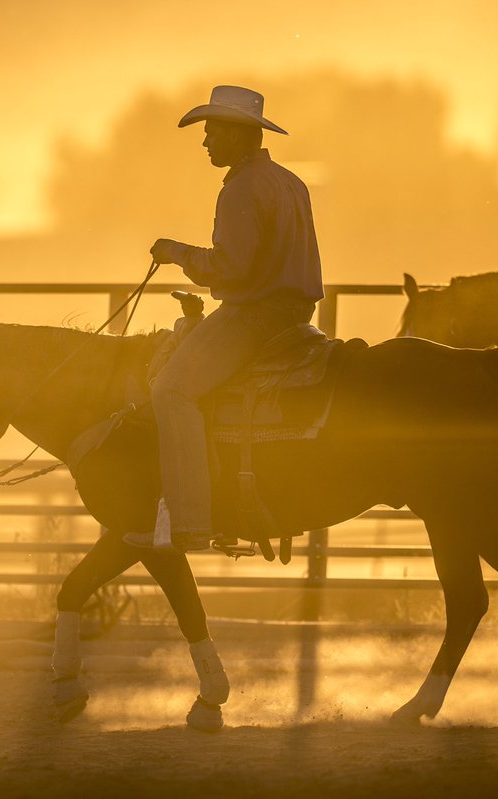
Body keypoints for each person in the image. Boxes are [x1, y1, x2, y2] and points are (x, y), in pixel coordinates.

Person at [132, 85, 324, 553]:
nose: (205, 142)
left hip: (255, 317)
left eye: (212, 131)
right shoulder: (290, 182)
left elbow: (230, 268)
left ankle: (191, 522)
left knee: (171, 390)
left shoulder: (242, 188)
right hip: (297, 315)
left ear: (238, 136)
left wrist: (176, 252)